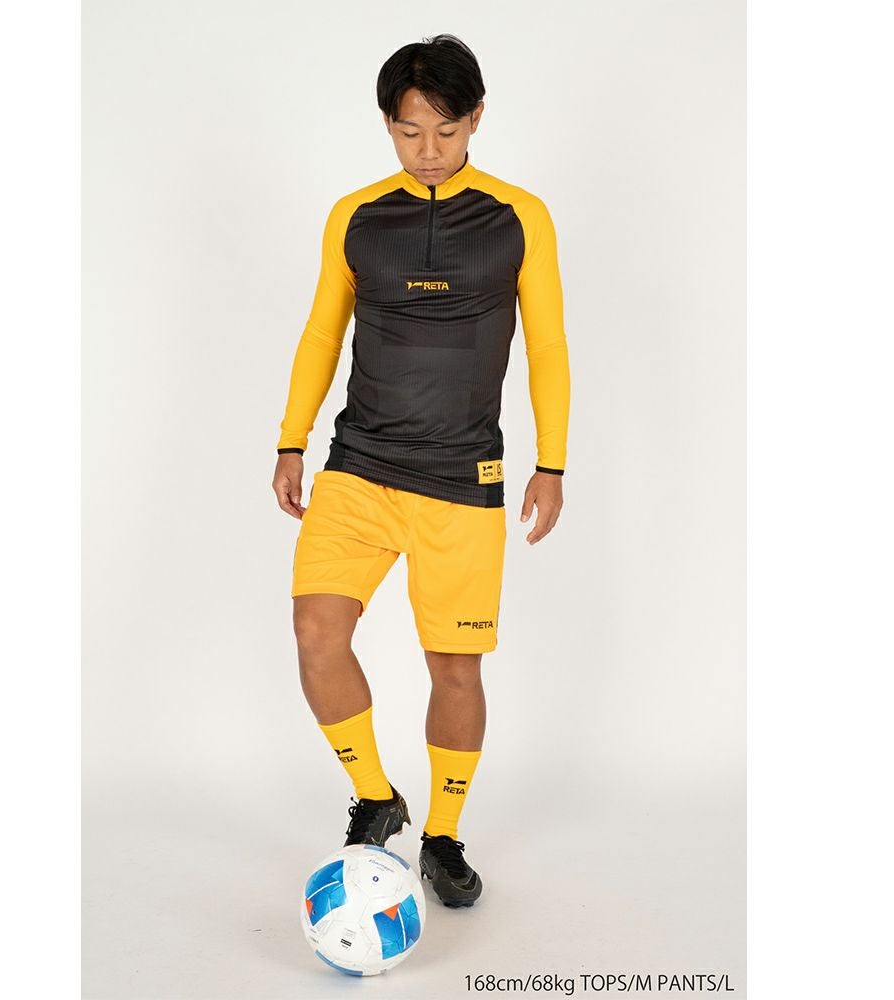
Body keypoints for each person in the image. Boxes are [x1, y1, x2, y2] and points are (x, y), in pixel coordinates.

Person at [272, 34, 570, 908]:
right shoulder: (357, 216)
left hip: (462, 480)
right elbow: (322, 332)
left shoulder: (519, 216)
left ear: (476, 118)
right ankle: (375, 796)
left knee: (456, 671)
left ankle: (442, 835)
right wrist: (291, 441)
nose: (427, 151)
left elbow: (548, 347)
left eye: (444, 131)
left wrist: (551, 462)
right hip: (359, 466)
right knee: (316, 633)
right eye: (408, 133)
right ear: (387, 126)